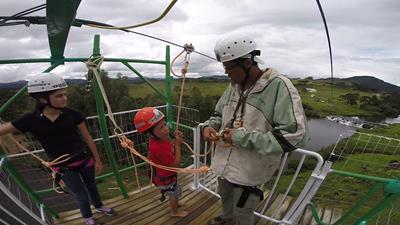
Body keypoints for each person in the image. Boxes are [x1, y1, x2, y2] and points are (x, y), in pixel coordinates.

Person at [203, 34, 309, 225]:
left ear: (247, 62)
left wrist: (242, 138)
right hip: (224, 162)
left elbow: (293, 136)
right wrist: (210, 126)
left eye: (229, 68)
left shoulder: (279, 86)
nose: (227, 73)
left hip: (250, 167)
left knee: (244, 209)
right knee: (225, 194)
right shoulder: (234, 86)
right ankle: (227, 219)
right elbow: (218, 114)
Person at [0, 73, 114, 225]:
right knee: (81, 194)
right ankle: (88, 219)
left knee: (92, 186)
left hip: (83, 159)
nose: (65, 98)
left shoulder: (73, 115)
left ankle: (99, 206)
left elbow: (87, 138)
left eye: (65, 95)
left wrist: (97, 159)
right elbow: (4, 129)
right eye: (59, 96)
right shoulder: (30, 120)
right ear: (42, 99)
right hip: (63, 167)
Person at [133, 107, 189, 217]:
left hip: (163, 175)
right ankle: (174, 212)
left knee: (174, 191)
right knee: (174, 193)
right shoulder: (159, 147)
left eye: (165, 124)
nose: (166, 129)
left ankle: (175, 204)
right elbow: (176, 164)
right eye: (161, 127)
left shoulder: (156, 140)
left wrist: (174, 141)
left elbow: (168, 149)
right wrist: (177, 145)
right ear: (150, 133)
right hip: (167, 177)